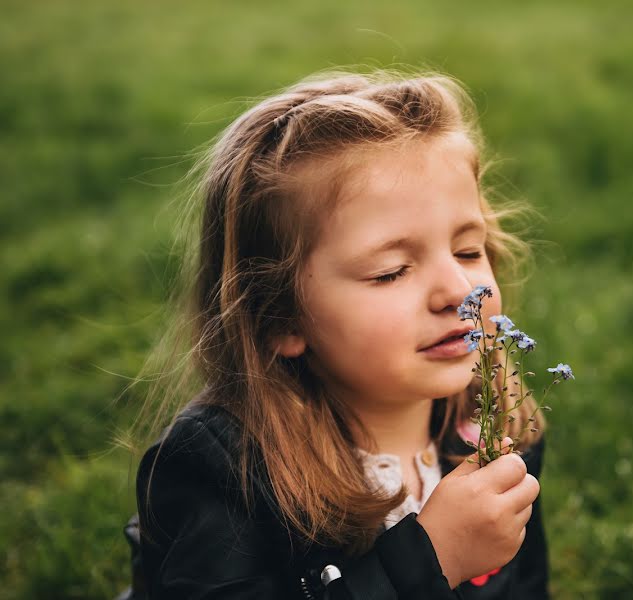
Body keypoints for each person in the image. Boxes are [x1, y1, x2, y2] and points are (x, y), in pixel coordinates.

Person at [131, 69, 549, 599]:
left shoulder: (492, 418)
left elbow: (525, 585)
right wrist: (430, 559)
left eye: (469, 249)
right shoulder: (221, 468)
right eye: (391, 271)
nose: (458, 290)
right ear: (280, 317)